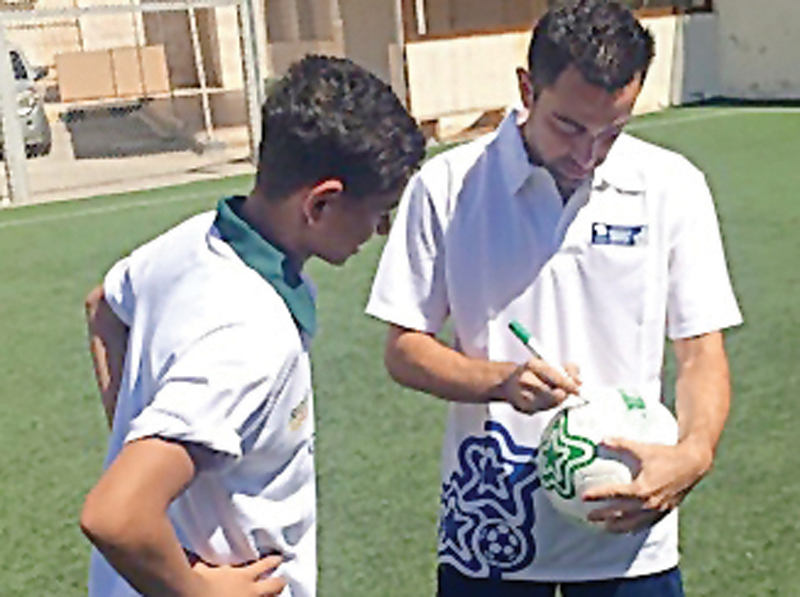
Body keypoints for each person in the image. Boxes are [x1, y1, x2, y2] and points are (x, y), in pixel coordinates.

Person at [366, 1, 742, 595]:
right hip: (490, 533)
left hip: (629, 534)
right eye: (569, 126)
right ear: (526, 88)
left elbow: (700, 353)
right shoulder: (447, 187)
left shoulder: (673, 187)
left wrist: (694, 454)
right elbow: (404, 348)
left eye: (611, 132)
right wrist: (500, 381)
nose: (588, 154)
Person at [81, 54, 425, 597]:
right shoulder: (252, 336)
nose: (381, 229)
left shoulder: (195, 238)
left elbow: (104, 306)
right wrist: (198, 590)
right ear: (322, 202)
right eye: (380, 210)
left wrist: (139, 443)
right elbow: (116, 516)